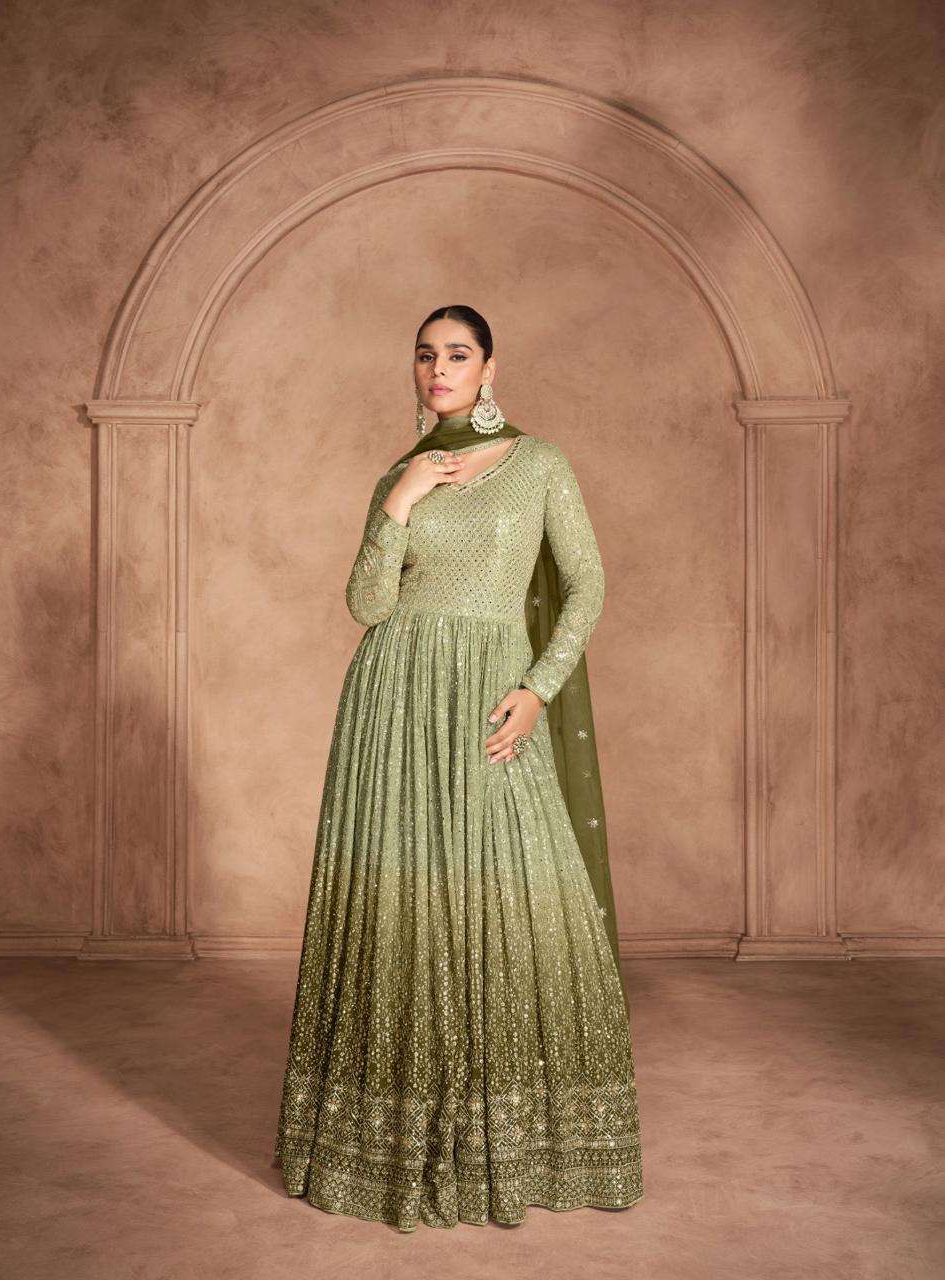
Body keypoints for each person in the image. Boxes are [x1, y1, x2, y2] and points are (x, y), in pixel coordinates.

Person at [274, 305, 643, 1232]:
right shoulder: (401, 475)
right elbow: (368, 604)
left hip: (489, 691)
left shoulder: (539, 464)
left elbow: (588, 583)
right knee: (403, 893)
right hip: (392, 701)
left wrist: (539, 689)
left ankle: (519, 1135)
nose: (438, 370)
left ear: (489, 368)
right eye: (425, 356)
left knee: (513, 891)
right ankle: (390, 1134)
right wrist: (399, 502)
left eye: (457, 355)